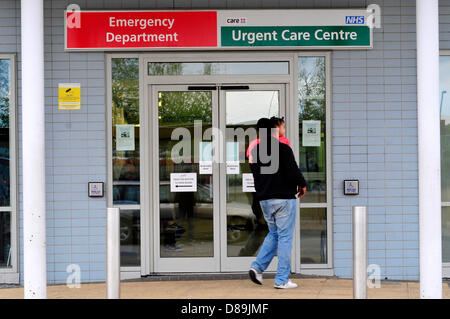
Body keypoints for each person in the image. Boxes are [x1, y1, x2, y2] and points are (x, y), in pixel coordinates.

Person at [248, 117, 307, 289]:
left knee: (273, 234)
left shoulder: (256, 151)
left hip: (265, 200)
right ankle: (281, 279)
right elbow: (293, 172)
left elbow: (256, 176)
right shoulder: (283, 149)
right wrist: (302, 185)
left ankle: (257, 267)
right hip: (283, 199)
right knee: (285, 237)